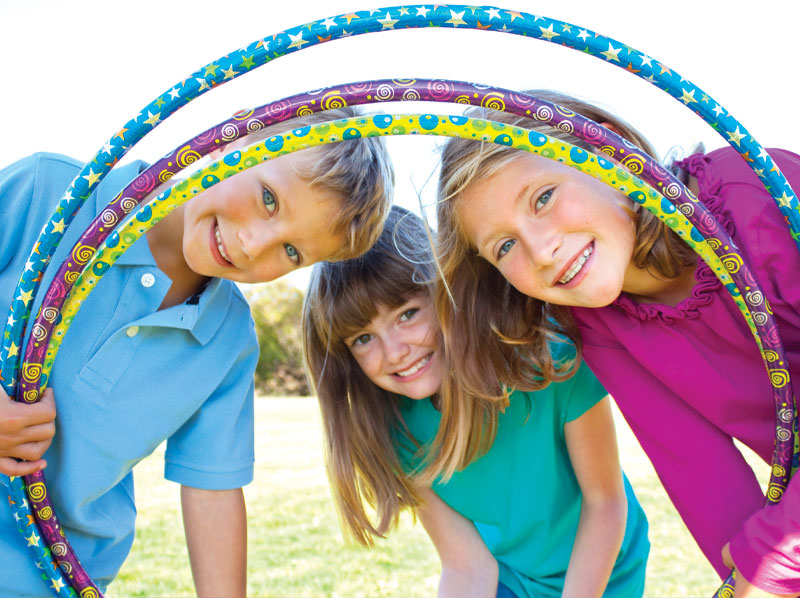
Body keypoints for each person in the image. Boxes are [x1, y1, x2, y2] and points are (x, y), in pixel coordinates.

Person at [0, 105, 394, 597]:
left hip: (54, 577)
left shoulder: (227, 341)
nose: (254, 245)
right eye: (268, 198)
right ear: (236, 134)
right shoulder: (45, 194)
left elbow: (213, 489)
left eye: (292, 252)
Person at [433, 89, 800, 597]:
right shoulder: (600, 325)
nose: (540, 251)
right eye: (505, 246)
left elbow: (769, 566)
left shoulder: (762, 196)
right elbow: (698, 472)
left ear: (612, 155)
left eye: (543, 197)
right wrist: (744, 578)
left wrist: (770, 569)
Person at [302, 205, 649, 598]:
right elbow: (467, 565)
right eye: (363, 338)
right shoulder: (397, 430)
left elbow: (605, 504)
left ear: (448, 292)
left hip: (603, 570)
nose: (395, 351)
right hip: (510, 579)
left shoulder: (550, 363)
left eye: (408, 314)